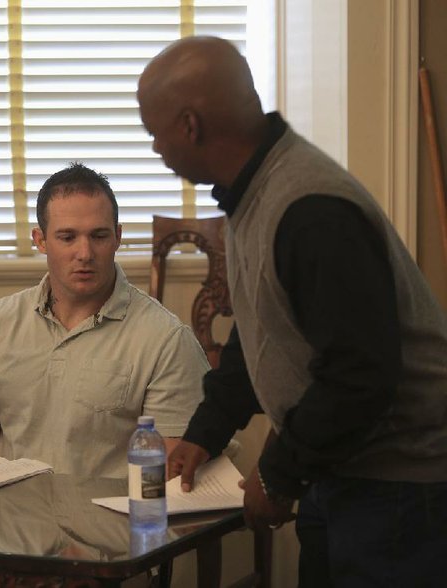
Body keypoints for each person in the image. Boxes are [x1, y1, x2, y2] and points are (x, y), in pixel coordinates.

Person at [137, 36, 447, 587]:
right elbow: (261, 334)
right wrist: (205, 432)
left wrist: (277, 476)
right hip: (341, 473)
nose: (153, 145)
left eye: (153, 129)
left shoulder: (310, 210)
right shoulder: (250, 192)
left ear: (190, 125)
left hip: (398, 489)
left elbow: (361, 374)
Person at [0, 162, 209, 479]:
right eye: (67, 237)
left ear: (118, 237)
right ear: (40, 240)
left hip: (116, 523)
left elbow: (172, 476)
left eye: (99, 236)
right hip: (12, 518)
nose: (84, 253)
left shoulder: (166, 340)